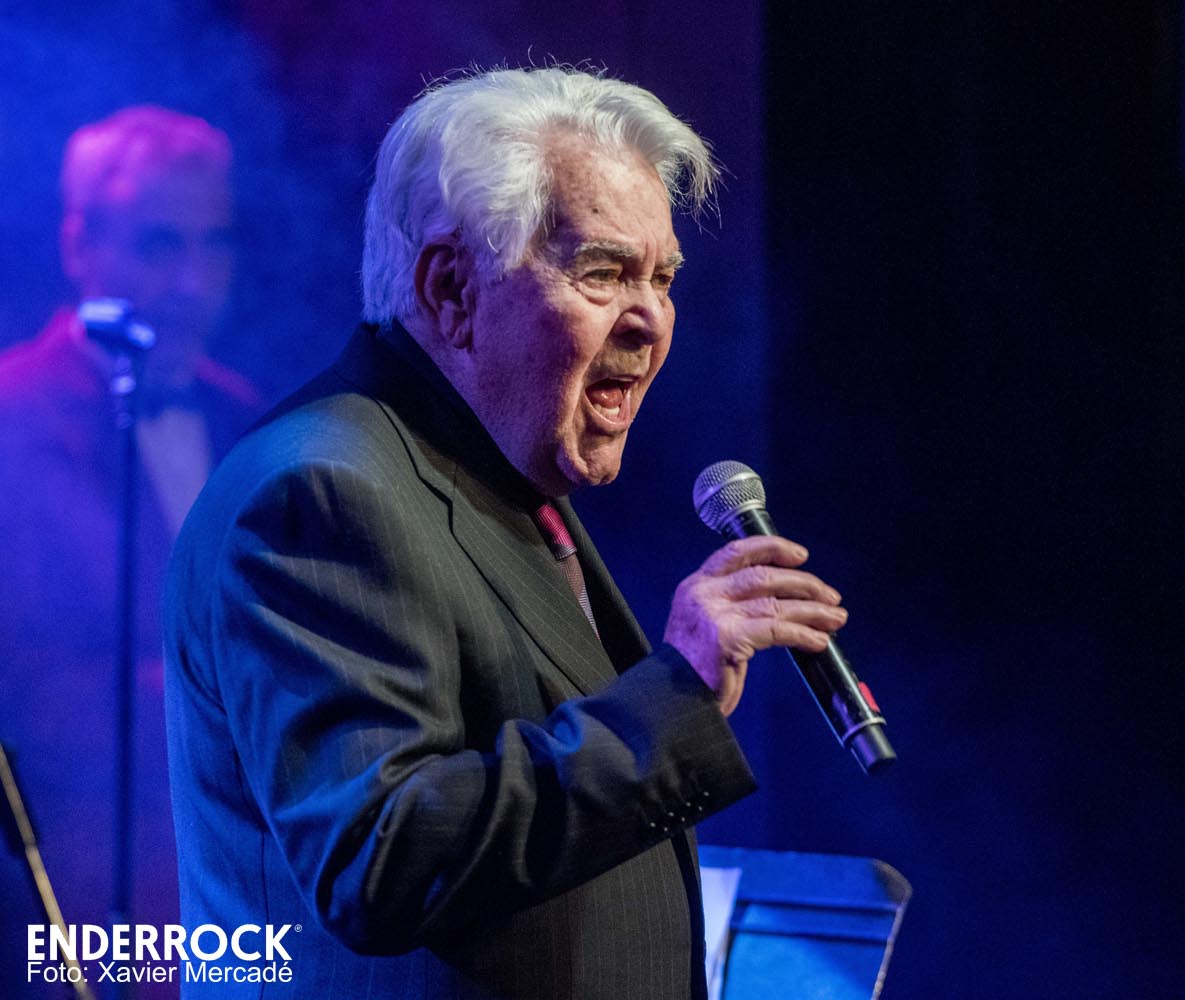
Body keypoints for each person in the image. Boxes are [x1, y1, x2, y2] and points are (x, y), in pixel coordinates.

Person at [164, 67, 845, 1000]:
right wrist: (675, 693)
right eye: (603, 272)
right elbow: (381, 857)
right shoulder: (320, 491)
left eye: (663, 278)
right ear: (451, 289)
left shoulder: (499, 468)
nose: (650, 319)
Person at [0, 106, 261, 996]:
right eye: (159, 246)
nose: (194, 283)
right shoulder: (8, 419)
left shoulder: (247, 416)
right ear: (79, 246)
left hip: (238, 896)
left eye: (214, 246)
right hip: (66, 907)